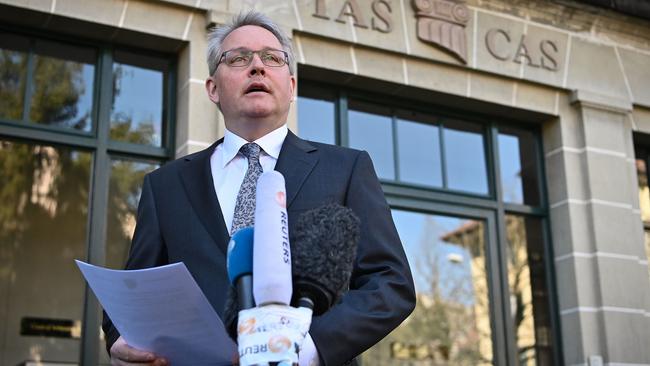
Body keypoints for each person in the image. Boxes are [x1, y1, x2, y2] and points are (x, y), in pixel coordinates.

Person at [102, 10, 415, 366]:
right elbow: (132, 295)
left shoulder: (345, 168)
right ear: (212, 88)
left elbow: (391, 285)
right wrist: (119, 340)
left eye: (272, 57)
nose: (257, 66)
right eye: (238, 58)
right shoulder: (165, 185)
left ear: (292, 86)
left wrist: (306, 348)